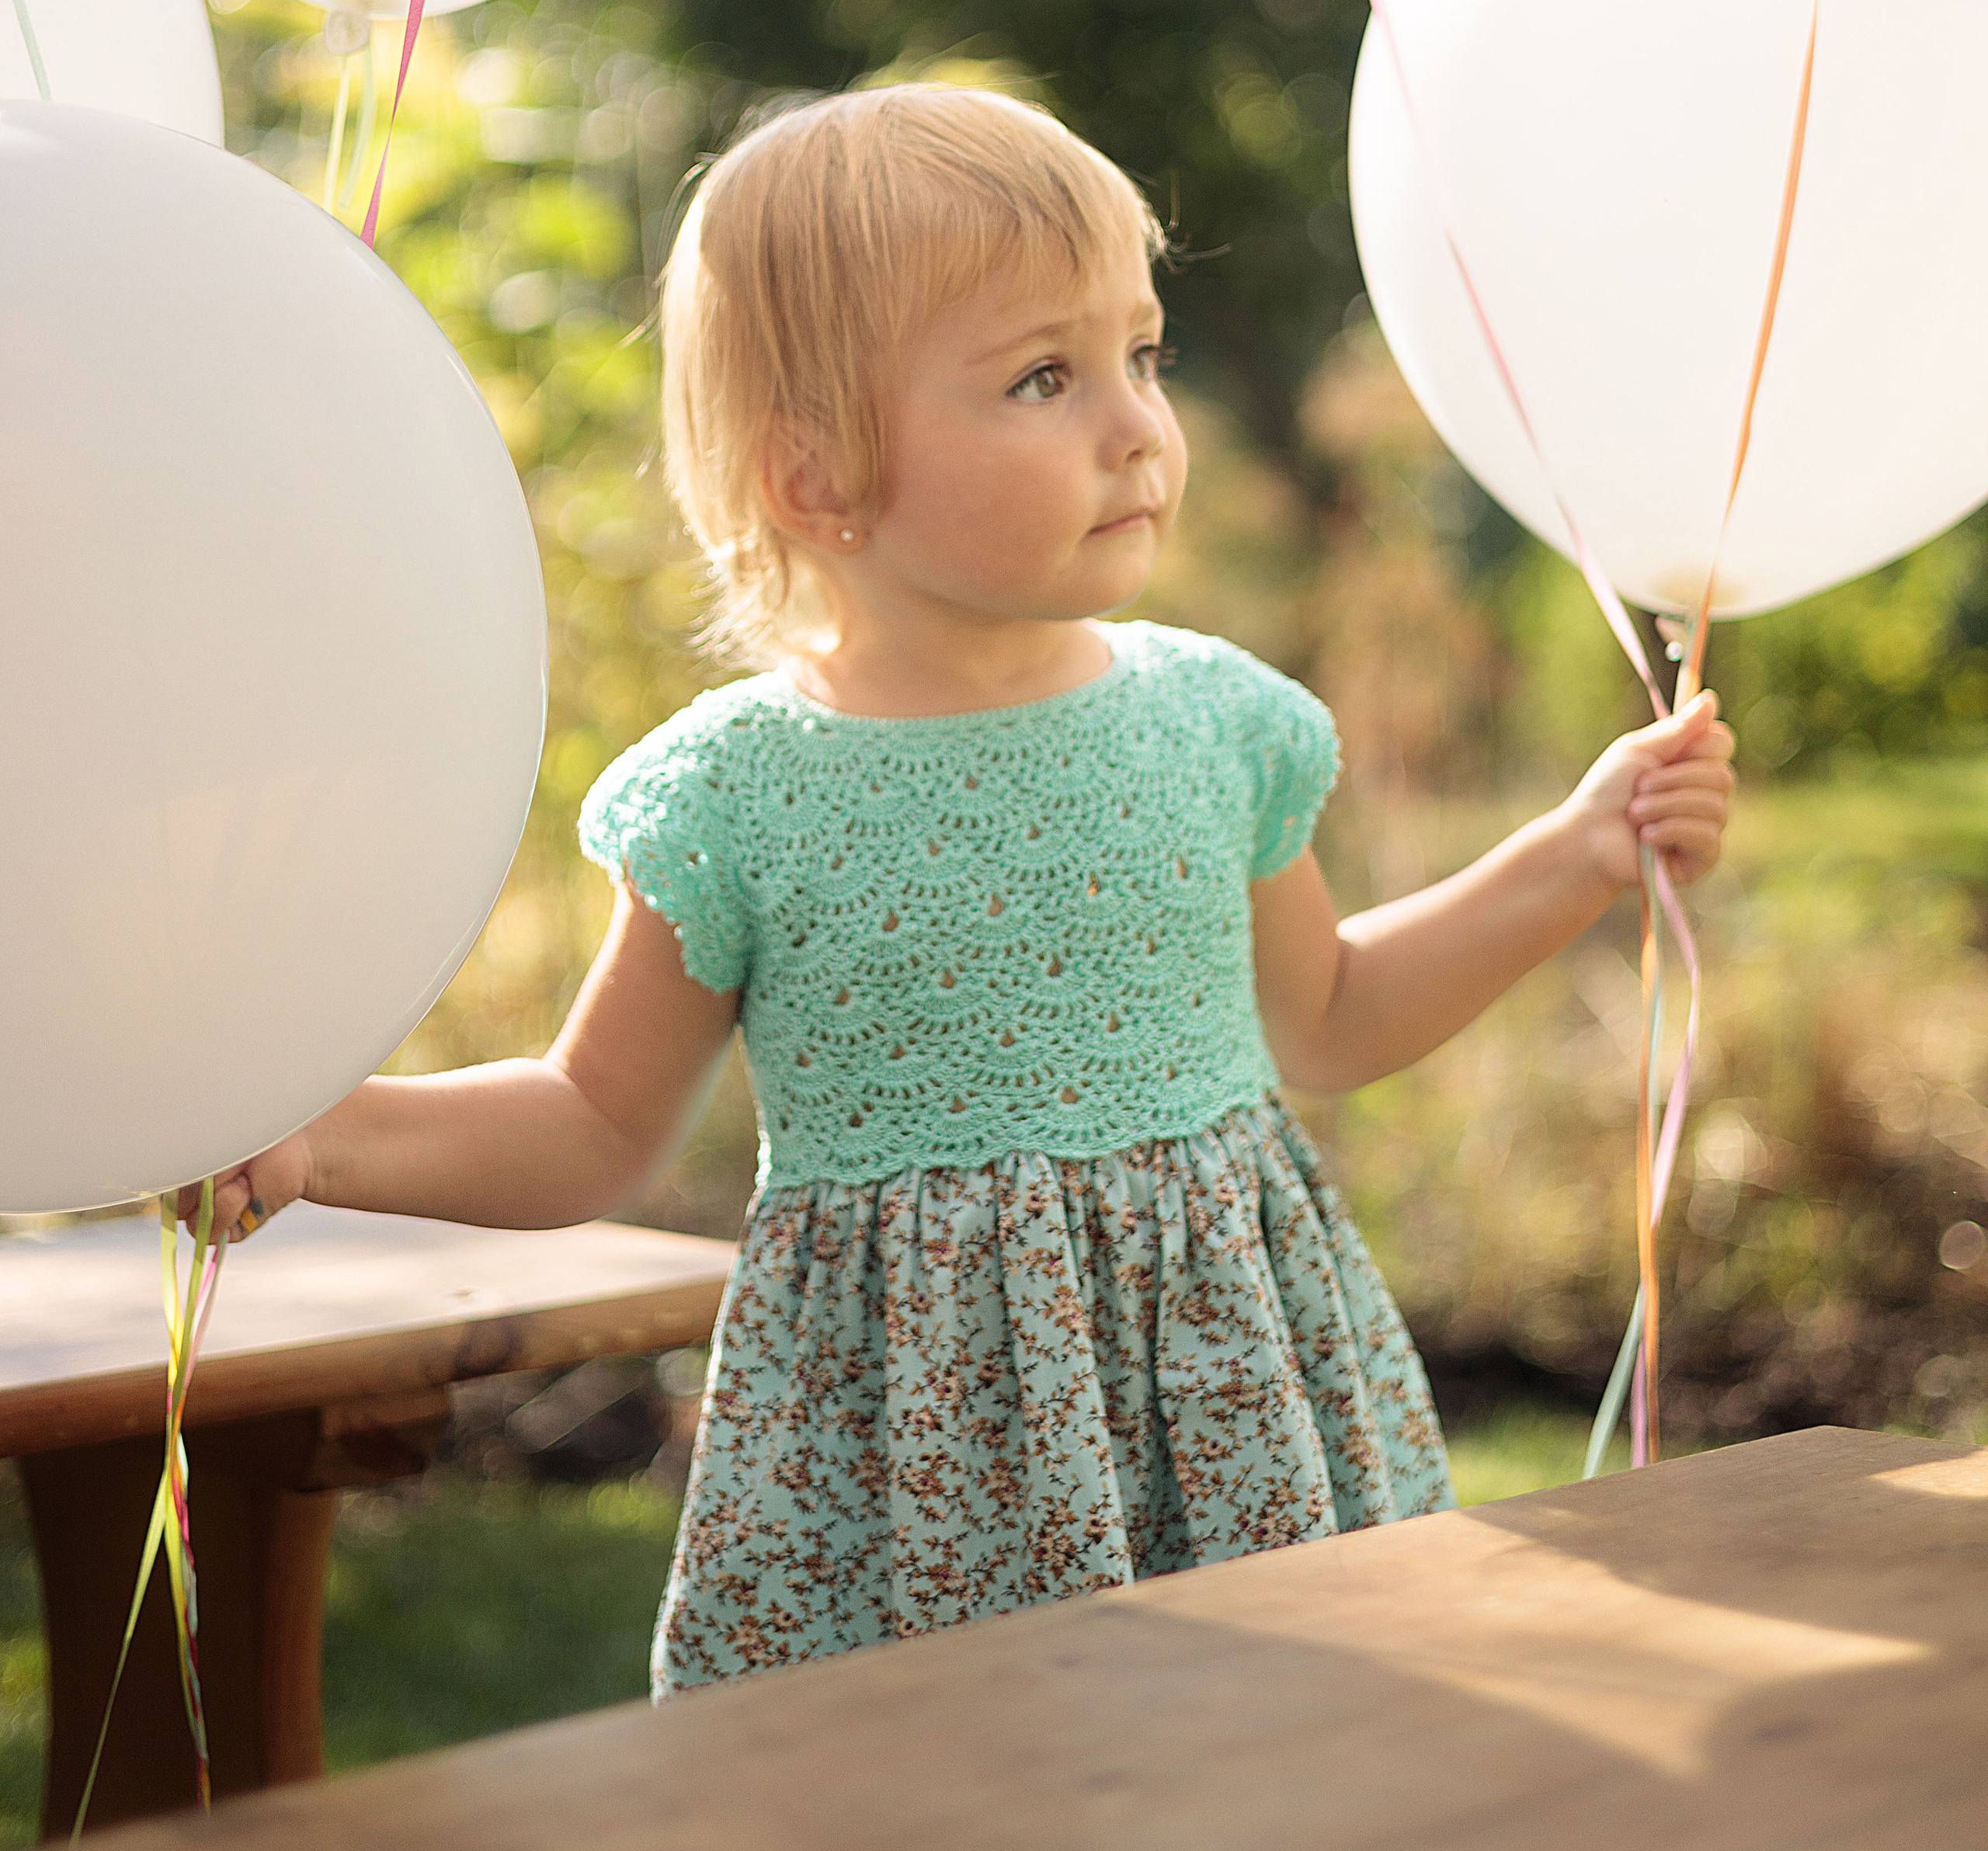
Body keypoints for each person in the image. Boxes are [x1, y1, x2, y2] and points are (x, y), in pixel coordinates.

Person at [193, 85, 1734, 1693]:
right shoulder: (741, 793)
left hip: (1226, 1409)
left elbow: (1330, 1012)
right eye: (1042, 376)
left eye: (1139, 353)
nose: (1135, 424)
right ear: (816, 482)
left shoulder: (1210, 721)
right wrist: (324, 1137)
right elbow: (590, 1118)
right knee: (934, 1836)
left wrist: (1570, 851)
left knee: (1280, 1780)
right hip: (911, 1461)